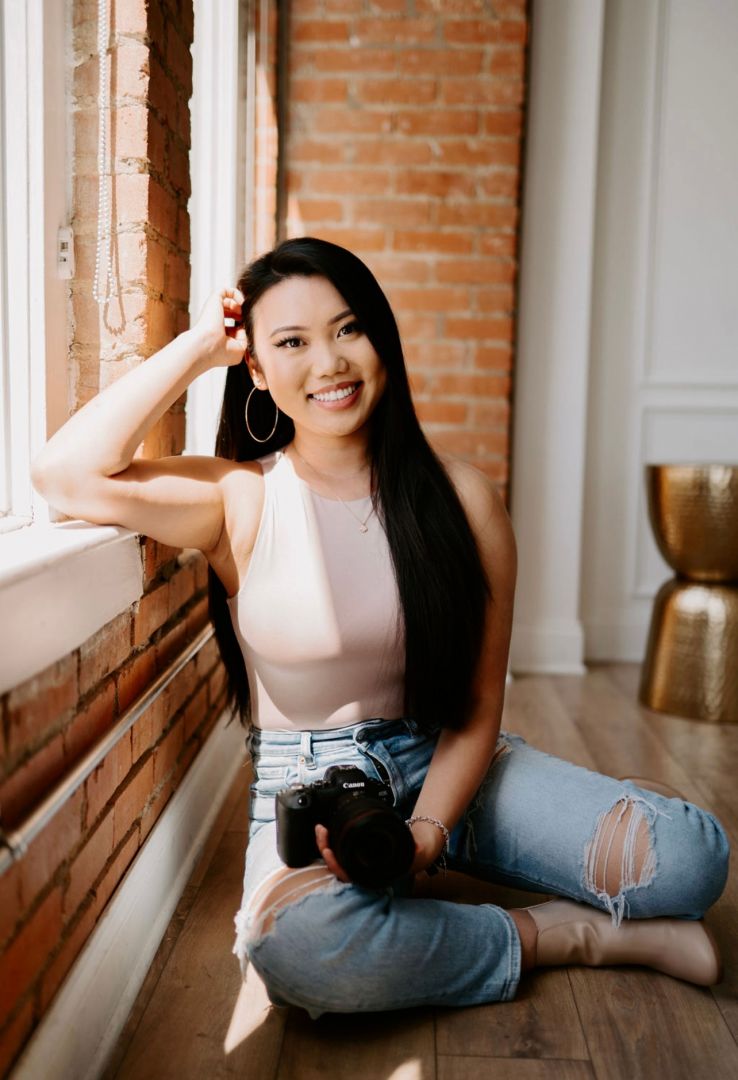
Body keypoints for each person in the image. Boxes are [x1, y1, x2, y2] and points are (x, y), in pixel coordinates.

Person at [32, 237, 729, 1018]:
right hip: (307, 783)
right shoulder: (240, 499)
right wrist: (202, 347)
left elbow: (474, 706)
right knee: (302, 952)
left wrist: (431, 828)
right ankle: (567, 935)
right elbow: (64, 474)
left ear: (382, 339)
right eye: (291, 343)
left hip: (449, 760)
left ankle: (586, 825)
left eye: (348, 328)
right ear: (257, 371)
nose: (328, 362)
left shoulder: (466, 501)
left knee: (692, 863)